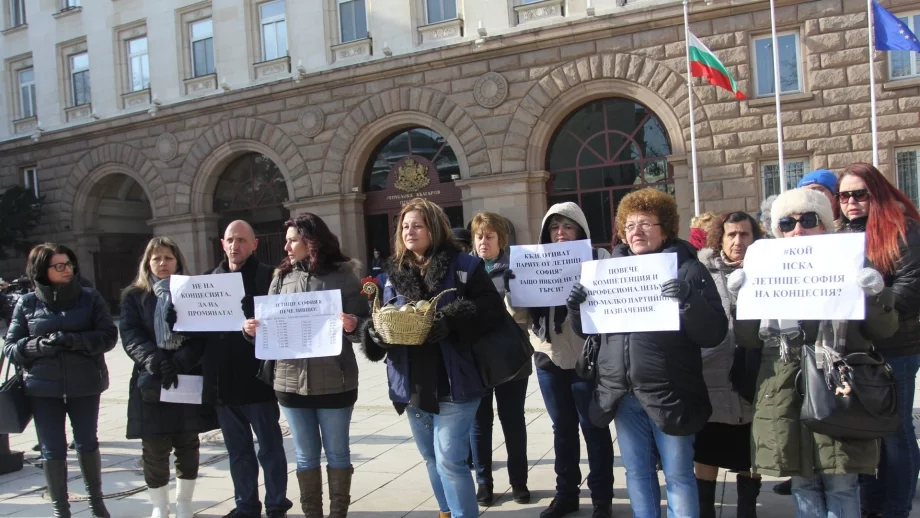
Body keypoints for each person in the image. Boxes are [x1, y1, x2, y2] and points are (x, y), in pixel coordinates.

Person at [729, 188, 896, 518]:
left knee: (842, 485)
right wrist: (742, 300)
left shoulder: (851, 263)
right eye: (787, 223)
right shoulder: (767, 268)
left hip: (839, 385)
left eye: (808, 220)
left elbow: (884, 330)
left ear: (824, 224)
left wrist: (875, 294)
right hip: (784, 388)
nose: (798, 230)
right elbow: (749, 339)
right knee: (803, 484)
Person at [566, 188, 727, 518]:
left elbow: (713, 332)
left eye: (645, 224)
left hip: (671, 393)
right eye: (628, 225)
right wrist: (576, 309)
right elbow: (590, 332)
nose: (635, 231)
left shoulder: (688, 270)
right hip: (621, 394)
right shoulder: (608, 271)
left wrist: (688, 300)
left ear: (665, 228)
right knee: (637, 474)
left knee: (679, 476)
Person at [360, 198, 505, 518]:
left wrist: (452, 319)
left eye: (418, 225)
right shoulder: (390, 274)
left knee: (450, 460)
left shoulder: (464, 266)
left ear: (434, 228)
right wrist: (372, 334)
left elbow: (491, 311)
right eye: (405, 226)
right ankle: (446, 513)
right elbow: (378, 319)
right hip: (412, 383)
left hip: (457, 378)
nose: (409, 231)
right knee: (431, 459)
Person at [243, 213, 368, 518]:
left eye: (292, 240)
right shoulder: (280, 278)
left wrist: (353, 325)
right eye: (285, 241)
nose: (286, 247)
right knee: (305, 456)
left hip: (335, 381)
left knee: (337, 453)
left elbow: (365, 325)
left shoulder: (342, 275)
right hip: (289, 382)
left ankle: (338, 513)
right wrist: (253, 332)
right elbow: (269, 335)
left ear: (311, 241)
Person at [510, 201, 615, 518]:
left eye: (567, 226)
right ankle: (566, 495)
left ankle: (601, 499)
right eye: (554, 227)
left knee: (594, 429)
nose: (561, 233)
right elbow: (518, 316)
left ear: (580, 229)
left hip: (588, 358)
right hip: (548, 358)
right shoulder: (533, 262)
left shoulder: (598, 259)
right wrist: (514, 286)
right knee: (563, 431)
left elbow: (613, 306)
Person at [3, 243, 118, 518]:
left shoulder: (90, 298)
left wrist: (75, 340)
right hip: (42, 389)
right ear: (43, 270)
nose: (68, 270)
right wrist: (39, 346)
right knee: (51, 449)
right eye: (60, 266)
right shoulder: (27, 302)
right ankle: (61, 509)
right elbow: (11, 347)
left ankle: (96, 503)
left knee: (86, 442)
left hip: (85, 384)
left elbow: (108, 336)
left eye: (69, 264)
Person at [837, 163, 920, 518]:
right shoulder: (839, 235)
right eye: (844, 195)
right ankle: (870, 504)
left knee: (895, 433)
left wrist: (874, 302)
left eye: (860, 194)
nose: (851, 202)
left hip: (895, 347)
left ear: (877, 193)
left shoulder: (903, 230)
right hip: (854, 349)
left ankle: (895, 508)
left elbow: (912, 288)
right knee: (863, 432)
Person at [120, 237, 219, 518]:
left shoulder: (192, 292)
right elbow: (130, 335)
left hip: (185, 375)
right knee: (154, 446)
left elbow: (202, 334)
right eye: (156, 259)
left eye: (168, 258)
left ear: (178, 261)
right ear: (147, 263)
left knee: (187, 442)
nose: (162, 263)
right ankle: (160, 506)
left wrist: (180, 360)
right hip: (151, 378)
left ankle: (184, 503)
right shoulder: (134, 296)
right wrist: (157, 361)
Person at [204, 221, 292, 518]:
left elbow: (284, 324)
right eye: (230, 239)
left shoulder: (270, 277)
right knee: (238, 451)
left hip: (259, 380)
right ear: (222, 243)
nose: (234, 245)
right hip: (223, 381)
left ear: (254, 244)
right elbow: (196, 333)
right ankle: (246, 505)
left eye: (241, 240)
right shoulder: (207, 281)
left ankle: (277, 504)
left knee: (270, 447)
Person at [695, 212, 765, 518]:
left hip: (755, 375)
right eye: (731, 235)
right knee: (708, 446)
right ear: (719, 239)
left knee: (751, 448)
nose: (738, 241)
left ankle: (747, 509)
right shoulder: (702, 274)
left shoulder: (769, 271)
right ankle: (705, 510)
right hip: (712, 376)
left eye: (745, 235)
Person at [468, 211, 532, 506]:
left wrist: (514, 292)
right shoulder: (465, 269)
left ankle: (519, 481)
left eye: (489, 236)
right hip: (476, 357)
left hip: (510, 357)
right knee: (479, 423)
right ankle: (484, 482)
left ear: (500, 240)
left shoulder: (516, 267)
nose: (483, 241)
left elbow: (526, 315)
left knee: (513, 421)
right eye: (479, 236)